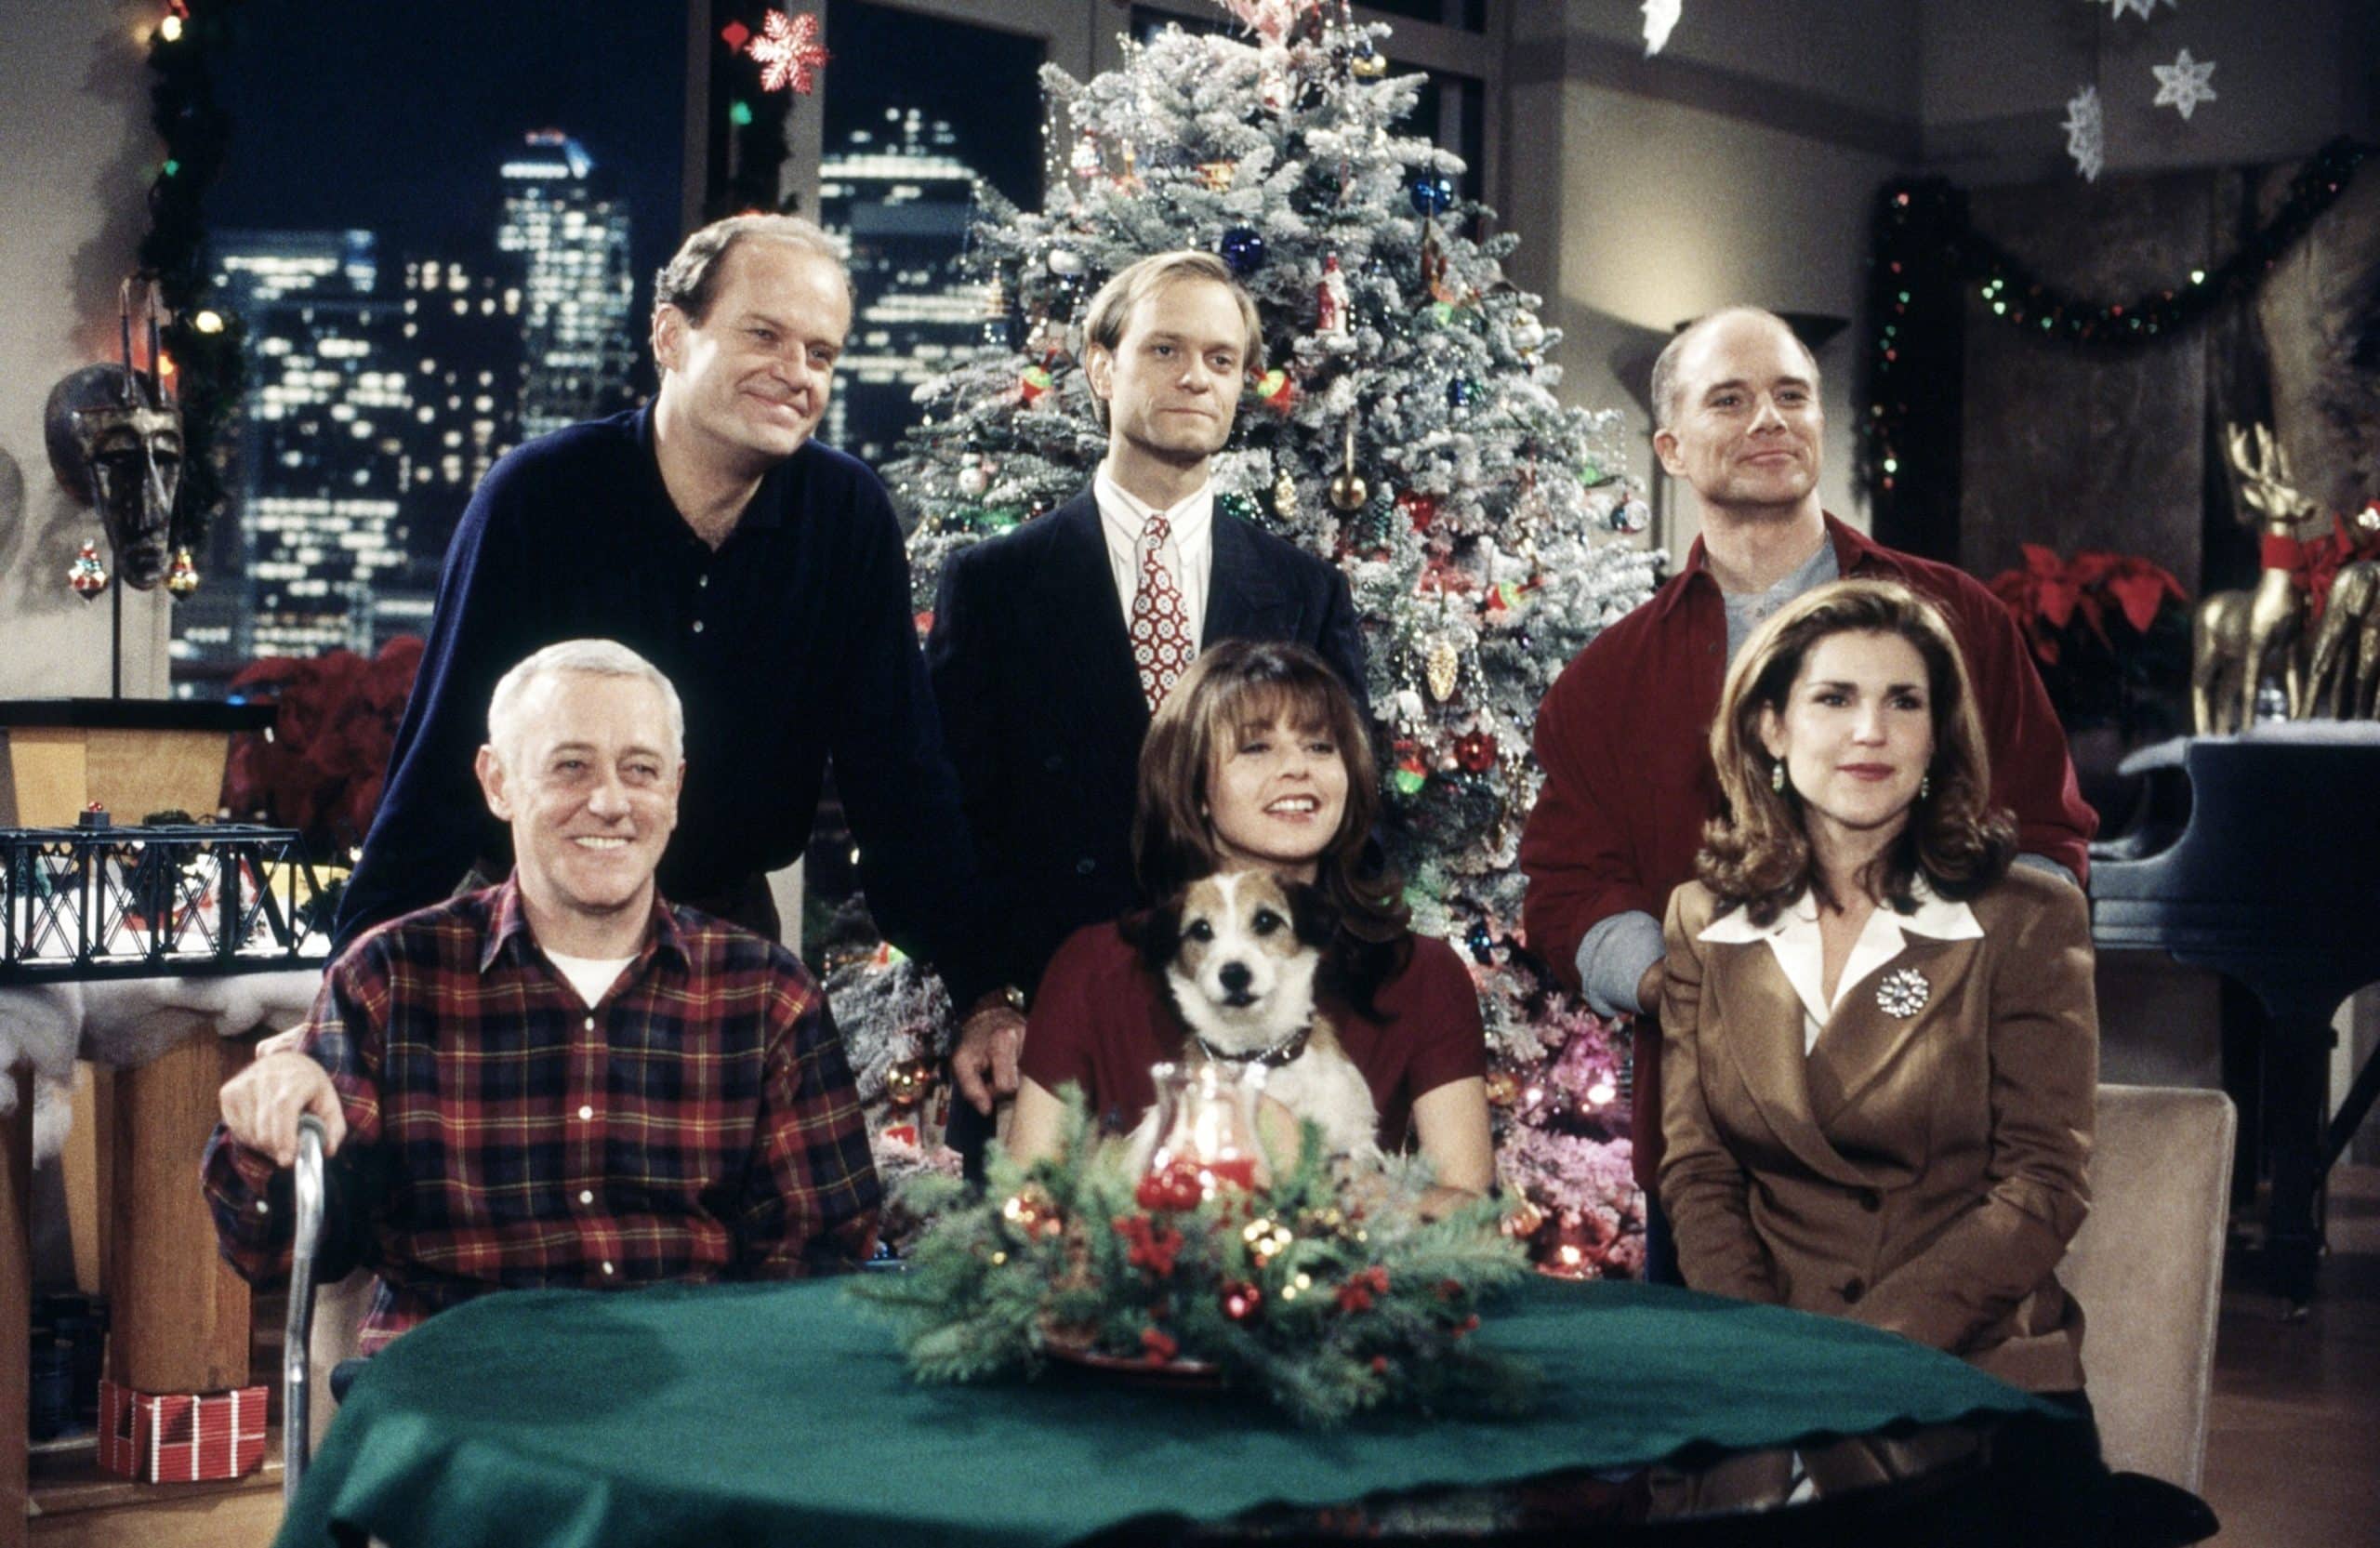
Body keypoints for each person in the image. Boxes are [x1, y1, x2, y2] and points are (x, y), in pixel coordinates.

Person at [1517, 305, 2095, 1281]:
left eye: (1792, 396)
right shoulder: (1606, 680)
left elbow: (2045, 836)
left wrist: (1952, 982)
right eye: (1730, 400)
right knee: (1728, 1418)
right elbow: (1567, 888)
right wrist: (1683, 983)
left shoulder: (1961, 621)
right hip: (1714, 1163)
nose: (1769, 421)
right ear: (1670, 446)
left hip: (1938, 1140)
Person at [329, 213, 1001, 1012]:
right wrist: (343, 999)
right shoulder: (537, 499)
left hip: (725, 939)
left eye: (821, 353)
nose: (798, 373)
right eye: (765, 336)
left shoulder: (847, 515)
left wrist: (981, 989)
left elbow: (901, 784)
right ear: (670, 336)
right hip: (525, 923)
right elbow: (438, 766)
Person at [204, 641, 879, 1351]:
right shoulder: (392, 979)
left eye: (640, 770)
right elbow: (272, 1248)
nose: (611, 801)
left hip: (683, 1411)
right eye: (571, 765)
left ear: (674, 790)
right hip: (455, 1405)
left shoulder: (769, 998)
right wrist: (264, 1132)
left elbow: (817, 1272)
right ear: (497, 782)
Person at [928, 251, 1368, 1141]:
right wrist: (988, 995)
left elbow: (1356, 820)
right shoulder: (994, 584)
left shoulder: (1306, 592)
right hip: (1054, 1037)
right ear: (1101, 366)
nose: (1195, 376)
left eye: (1220, 358)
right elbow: (943, 822)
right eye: (1165, 349)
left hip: (1262, 1043)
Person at [1660, 579, 2095, 1395]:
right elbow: (1699, 1174)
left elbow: (2043, 1184)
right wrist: (1766, 1354)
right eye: (1834, 697)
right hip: (1765, 1365)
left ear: (1937, 740)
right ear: (1771, 728)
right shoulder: (1701, 921)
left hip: (1961, 1361)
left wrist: (1864, 1358)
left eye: (1904, 702)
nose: (1871, 731)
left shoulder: (2028, 919)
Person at [1007, 641, 1490, 1212]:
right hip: (1152, 1290)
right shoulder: (1097, 966)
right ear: (1195, 789)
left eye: (1319, 746)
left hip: (1344, 1292)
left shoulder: (1419, 973)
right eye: (1256, 747)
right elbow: (1024, 1206)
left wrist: (1314, 1176)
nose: (1297, 768)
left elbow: (1473, 1221)